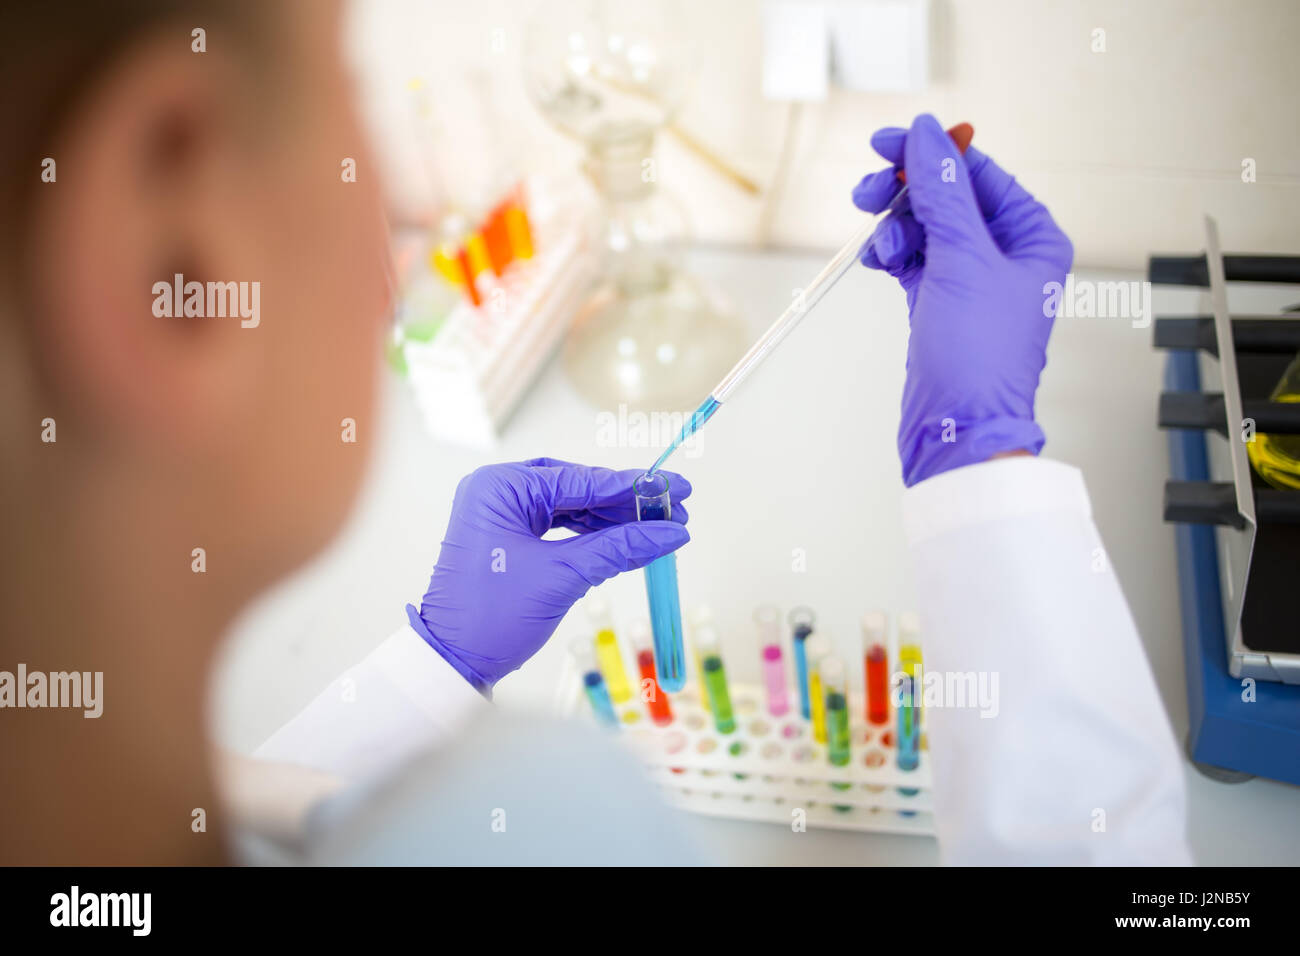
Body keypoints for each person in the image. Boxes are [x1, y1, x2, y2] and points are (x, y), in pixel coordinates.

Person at [0, 0, 1190, 866]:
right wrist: (981, 461)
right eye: (351, 99)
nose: (394, 229)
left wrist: (430, 666)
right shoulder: (535, 820)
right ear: (169, 242)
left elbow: (268, 810)